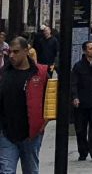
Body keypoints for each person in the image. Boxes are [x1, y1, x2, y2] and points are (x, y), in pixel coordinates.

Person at [0, 36, 50, 174]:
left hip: (31, 133)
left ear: (26, 51)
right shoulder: (4, 72)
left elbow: (50, 98)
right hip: (6, 132)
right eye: (10, 52)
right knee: (6, 170)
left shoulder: (40, 73)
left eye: (16, 52)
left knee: (31, 170)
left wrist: (43, 123)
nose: (11, 55)